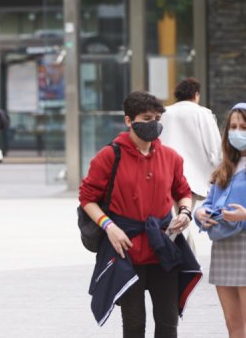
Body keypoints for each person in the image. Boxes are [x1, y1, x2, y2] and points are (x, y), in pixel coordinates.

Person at [79, 91, 202, 337]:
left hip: (163, 247)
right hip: (126, 249)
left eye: (157, 117)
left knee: (168, 322)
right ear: (128, 121)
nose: (153, 123)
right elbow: (87, 198)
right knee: (134, 323)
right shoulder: (109, 155)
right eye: (146, 118)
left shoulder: (171, 157)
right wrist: (109, 227)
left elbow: (183, 191)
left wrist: (186, 211)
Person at [194, 102, 246, 338]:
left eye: (245, 127)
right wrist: (200, 214)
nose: (237, 132)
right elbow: (210, 202)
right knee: (232, 323)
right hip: (223, 246)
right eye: (233, 127)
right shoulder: (225, 167)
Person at [159, 77, 222, 252]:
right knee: (182, 220)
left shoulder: (164, 112)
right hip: (191, 178)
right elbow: (214, 148)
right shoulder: (203, 113)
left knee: (175, 217)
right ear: (196, 95)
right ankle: (183, 260)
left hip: (165, 173)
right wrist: (218, 172)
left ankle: (183, 259)